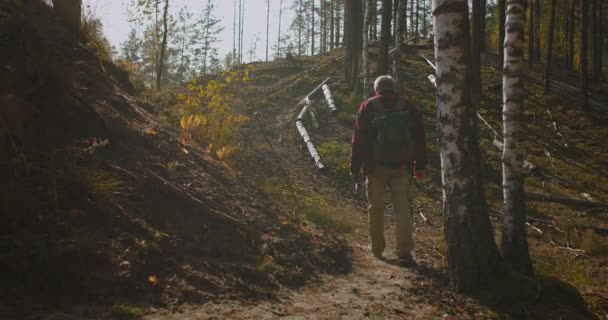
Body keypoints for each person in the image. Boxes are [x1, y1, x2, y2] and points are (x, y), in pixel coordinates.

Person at [350, 75, 427, 267]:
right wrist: (420, 165)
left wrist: (355, 168)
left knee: (376, 208)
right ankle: (404, 253)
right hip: (402, 166)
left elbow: (358, 139)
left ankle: (377, 249)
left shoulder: (368, 106)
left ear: (377, 89)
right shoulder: (408, 105)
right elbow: (419, 135)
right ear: (394, 87)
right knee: (402, 209)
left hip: (375, 167)